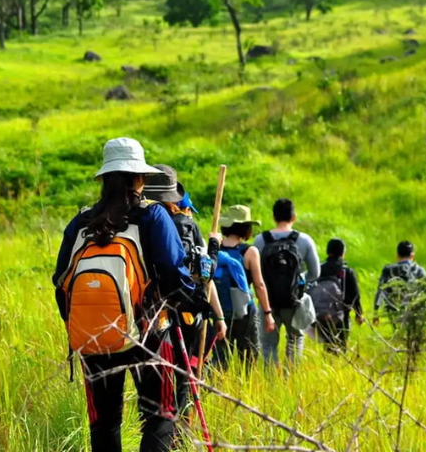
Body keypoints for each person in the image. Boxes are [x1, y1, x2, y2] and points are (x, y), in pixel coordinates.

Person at [52, 138, 194, 452]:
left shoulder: (81, 222)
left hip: (93, 335)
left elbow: (60, 282)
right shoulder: (152, 216)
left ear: (104, 178)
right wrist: (188, 301)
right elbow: (174, 272)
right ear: (139, 178)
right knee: (160, 415)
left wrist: (77, 325)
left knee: (104, 421)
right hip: (149, 331)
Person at [141, 164, 226, 417]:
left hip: (140, 315)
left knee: (150, 391)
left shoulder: (132, 219)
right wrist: (213, 246)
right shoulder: (184, 226)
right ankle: (179, 434)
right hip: (179, 313)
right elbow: (205, 273)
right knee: (181, 380)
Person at [254, 198, 320, 365]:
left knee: (268, 345)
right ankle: (291, 380)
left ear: (274, 217)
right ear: (294, 217)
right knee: (295, 339)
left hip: (268, 303)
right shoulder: (304, 240)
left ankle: (271, 383)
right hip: (294, 302)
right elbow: (315, 272)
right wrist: (298, 281)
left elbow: (254, 274)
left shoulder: (260, 241)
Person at [214, 205, 276, 368]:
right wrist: (268, 313)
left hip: (219, 310)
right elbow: (259, 285)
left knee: (219, 358)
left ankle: (218, 388)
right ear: (246, 228)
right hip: (245, 311)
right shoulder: (250, 251)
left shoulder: (214, 249)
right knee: (249, 357)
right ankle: (245, 388)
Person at [311, 238, 364, 353]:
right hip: (342, 314)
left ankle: (327, 362)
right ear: (343, 253)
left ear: (328, 252)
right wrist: (359, 314)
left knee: (327, 341)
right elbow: (355, 294)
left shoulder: (319, 269)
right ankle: (337, 364)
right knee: (341, 344)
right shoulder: (346, 271)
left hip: (321, 313)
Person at [373, 241, 426, 325]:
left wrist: (376, 311)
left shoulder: (388, 270)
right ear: (412, 255)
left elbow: (380, 291)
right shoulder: (418, 270)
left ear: (397, 255)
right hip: (416, 310)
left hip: (394, 310)